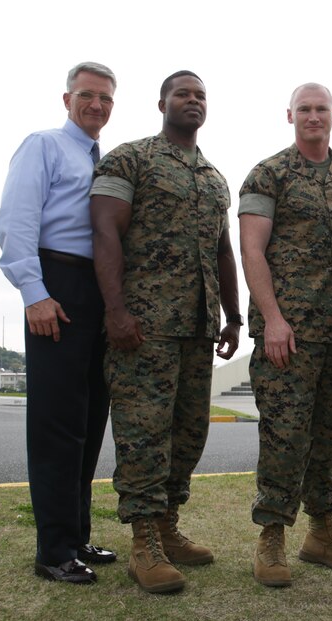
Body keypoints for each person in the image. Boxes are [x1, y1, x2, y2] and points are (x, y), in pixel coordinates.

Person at [89, 70, 242, 594]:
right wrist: (116, 310)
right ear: (162, 103)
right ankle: (143, 544)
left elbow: (223, 250)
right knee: (143, 435)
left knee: (188, 432)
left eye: (201, 94)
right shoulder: (130, 159)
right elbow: (105, 230)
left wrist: (234, 315)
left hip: (198, 329)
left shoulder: (214, 177)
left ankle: (168, 527)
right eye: (184, 93)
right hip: (144, 327)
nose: (193, 101)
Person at [238, 83, 332, 588]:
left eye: (321, 109)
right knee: (284, 435)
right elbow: (253, 251)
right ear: (290, 115)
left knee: (331, 435)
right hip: (288, 335)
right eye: (304, 109)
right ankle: (272, 535)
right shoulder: (268, 174)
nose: (313, 117)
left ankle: (321, 532)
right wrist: (272, 319)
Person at [0, 61, 118, 585]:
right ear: (66, 99)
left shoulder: (104, 160)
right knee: (56, 425)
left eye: (106, 98)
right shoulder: (42, 146)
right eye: (87, 95)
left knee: (89, 423)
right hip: (57, 287)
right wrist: (34, 293)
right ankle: (53, 550)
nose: (96, 105)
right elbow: (15, 221)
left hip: (98, 291)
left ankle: (78, 535)